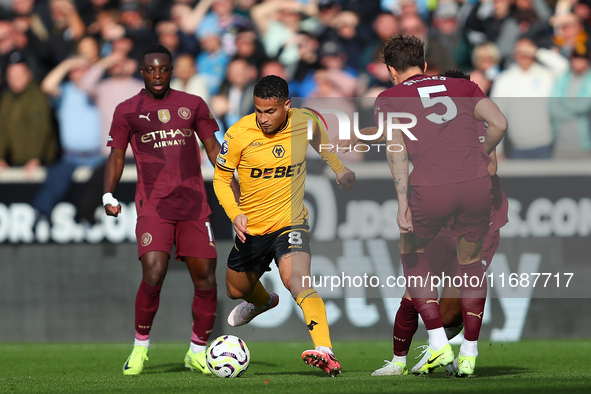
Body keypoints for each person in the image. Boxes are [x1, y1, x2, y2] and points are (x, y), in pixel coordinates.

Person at [373, 35, 507, 377]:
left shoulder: (389, 98)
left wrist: (402, 200)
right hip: (474, 192)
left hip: (432, 188)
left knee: (412, 260)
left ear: (390, 69)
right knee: (468, 268)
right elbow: (500, 126)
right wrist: (479, 150)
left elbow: (396, 150)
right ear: (426, 64)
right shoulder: (463, 88)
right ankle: (465, 352)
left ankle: (436, 344)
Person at [103, 43, 237, 376]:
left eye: (164, 68)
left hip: (194, 205)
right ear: (142, 72)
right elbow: (117, 155)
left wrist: (233, 189)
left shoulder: (193, 104)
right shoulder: (127, 110)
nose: (158, 75)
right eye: (151, 69)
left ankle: (196, 351)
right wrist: (108, 194)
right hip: (154, 205)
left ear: (172, 70)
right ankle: (140, 349)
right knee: (153, 272)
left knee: (206, 281)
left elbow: (212, 147)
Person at [213, 75, 355, 377]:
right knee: (235, 290)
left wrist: (340, 169)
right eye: (258, 111)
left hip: (291, 222)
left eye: (270, 111)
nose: (263, 118)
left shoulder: (305, 121)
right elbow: (221, 179)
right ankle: (264, 302)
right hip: (251, 228)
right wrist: (234, 212)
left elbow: (321, 143)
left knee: (297, 280)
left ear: (287, 106)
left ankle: (325, 351)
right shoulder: (238, 133)